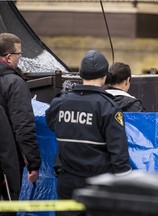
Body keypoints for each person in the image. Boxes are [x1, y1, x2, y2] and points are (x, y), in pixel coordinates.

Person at [45, 50, 132, 216]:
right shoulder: (108, 107)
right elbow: (118, 153)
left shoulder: (60, 102)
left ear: (81, 74)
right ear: (104, 76)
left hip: (67, 182)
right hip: (98, 184)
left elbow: (51, 124)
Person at [0, 33, 42, 203]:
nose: (20, 58)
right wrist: (33, 162)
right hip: (6, 162)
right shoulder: (14, 83)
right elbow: (23, 126)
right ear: (9, 57)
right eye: (19, 54)